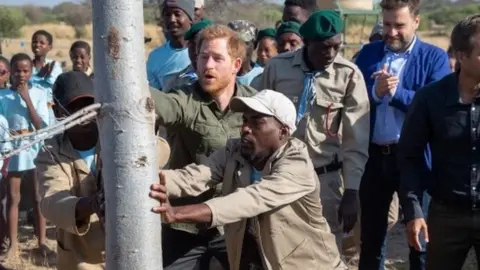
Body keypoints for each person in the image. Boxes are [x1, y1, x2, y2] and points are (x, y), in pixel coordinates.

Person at [150, 89, 347, 270]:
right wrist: (149, 182)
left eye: (257, 122)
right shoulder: (234, 151)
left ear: (283, 132)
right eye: (245, 120)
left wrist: (177, 213)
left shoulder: (297, 165)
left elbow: (249, 200)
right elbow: (193, 177)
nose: (245, 128)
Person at [259, 10, 370, 255]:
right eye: (323, 48)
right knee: (281, 248)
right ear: (306, 43)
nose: (330, 54)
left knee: (326, 250)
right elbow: (258, 119)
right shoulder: (277, 68)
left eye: (336, 47)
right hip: (280, 176)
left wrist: (352, 190)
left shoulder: (348, 75)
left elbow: (356, 139)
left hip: (325, 180)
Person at [36, 71, 171, 269]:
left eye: (87, 104)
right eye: (73, 106)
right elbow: (52, 202)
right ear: (57, 112)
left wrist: (129, 157)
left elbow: (160, 150)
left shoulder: (118, 134)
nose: (82, 112)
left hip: (133, 252)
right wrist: (91, 204)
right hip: (82, 258)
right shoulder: (51, 153)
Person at [149, 24, 257, 269]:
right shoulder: (185, 99)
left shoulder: (254, 104)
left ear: (236, 65)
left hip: (232, 224)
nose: (208, 65)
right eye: (203, 57)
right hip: (183, 225)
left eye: (218, 58)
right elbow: (160, 104)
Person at [354, 0, 451, 269]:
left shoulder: (435, 57)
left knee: (419, 238)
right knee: (371, 239)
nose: (392, 32)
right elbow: (353, 100)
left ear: (416, 22)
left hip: (417, 160)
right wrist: (375, 93)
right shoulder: (368, 54)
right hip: (374, 158)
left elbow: (437, 107)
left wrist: (396, 94)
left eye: (399, 25)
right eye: (387, 24)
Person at [398, 14, 480, 270]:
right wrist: (414, 210)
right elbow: (409, 156)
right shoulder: (430, 99)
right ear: (462, 55)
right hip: (446, 217)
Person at [0, 53, 49, 259]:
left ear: (31, 72)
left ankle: (42, 241)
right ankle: (13, 244)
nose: (21, 75)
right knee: (13, 197)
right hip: (13, 149)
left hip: (34, 147)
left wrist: (27, 98)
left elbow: (40, 125)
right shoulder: (2, 97)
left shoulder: (39, 93)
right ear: (10, 72)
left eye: (26, 71)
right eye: (17, 70)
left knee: (39, 197)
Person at [147, 0, 193, 90]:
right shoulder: (155, 57)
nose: (172, 20)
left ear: (190, 19)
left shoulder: (202, 52)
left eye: (177, 14)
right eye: (167, 15)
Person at [162, 19, 213, 92]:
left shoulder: (229, 79)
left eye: (203, 45)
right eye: (194, 44)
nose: (197, 51)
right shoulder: (175, 82)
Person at [30, 30, 63, 126]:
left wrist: (35, 78)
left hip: (50, 112)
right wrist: (39, 76)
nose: (37, 45)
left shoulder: (54, 65)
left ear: (50, 47)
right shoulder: (27, 66)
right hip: (32, 109)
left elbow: (53, 82)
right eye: (34, 42)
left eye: (42, 43)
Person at [228, 20, 264, 86]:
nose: (239, 48)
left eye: (245, 43)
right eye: (234, 43)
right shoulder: (221, 72)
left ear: (255, 45)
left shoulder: (262, 76)